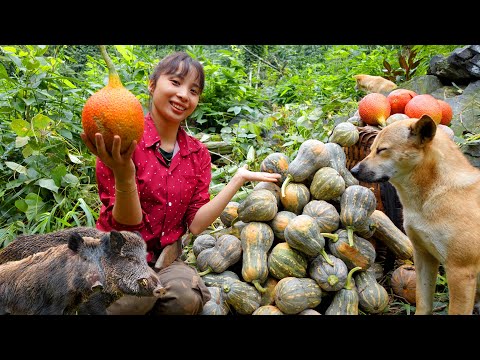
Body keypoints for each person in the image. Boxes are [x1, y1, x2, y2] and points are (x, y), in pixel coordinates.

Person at [80, 51, 281, 315]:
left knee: (186, 298)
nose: (184, 95)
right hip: (117, 256)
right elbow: (125, 224)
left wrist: (238, 179)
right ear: (152, 85)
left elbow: (196, 224)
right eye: (175, 83)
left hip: (165, 261)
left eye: (193, 90)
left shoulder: (197, 154)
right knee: (137, 300)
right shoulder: (122, 141)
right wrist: (124, 174)